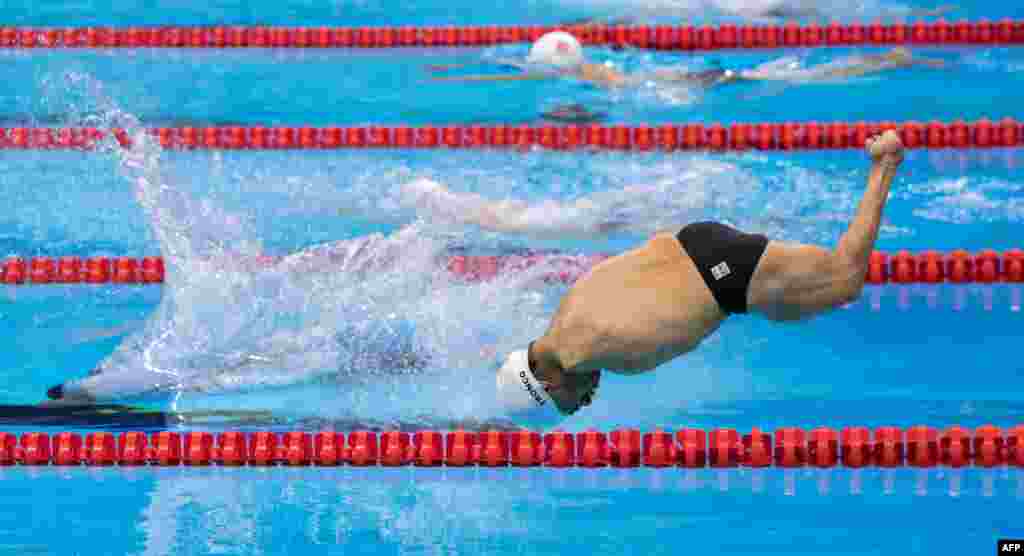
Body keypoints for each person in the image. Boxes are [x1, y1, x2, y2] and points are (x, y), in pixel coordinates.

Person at [489, 129, 905, 424]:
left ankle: (884, 162)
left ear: (545, 383)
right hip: (697, 243)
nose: (583, 403)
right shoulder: (560, 326)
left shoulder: (587, 351)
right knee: (786, 312)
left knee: (845, 279)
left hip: (726, 274)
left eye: (567, 406)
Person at [429, 31, 946, 90]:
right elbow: (509, 70)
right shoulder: (585, 67)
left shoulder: (597, 77)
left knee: (804, 79)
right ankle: (886, 59)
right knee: (787, 75)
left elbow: (621, 88)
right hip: (684, 75)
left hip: (694, 80)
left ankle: (886, 60)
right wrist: (454, 71)